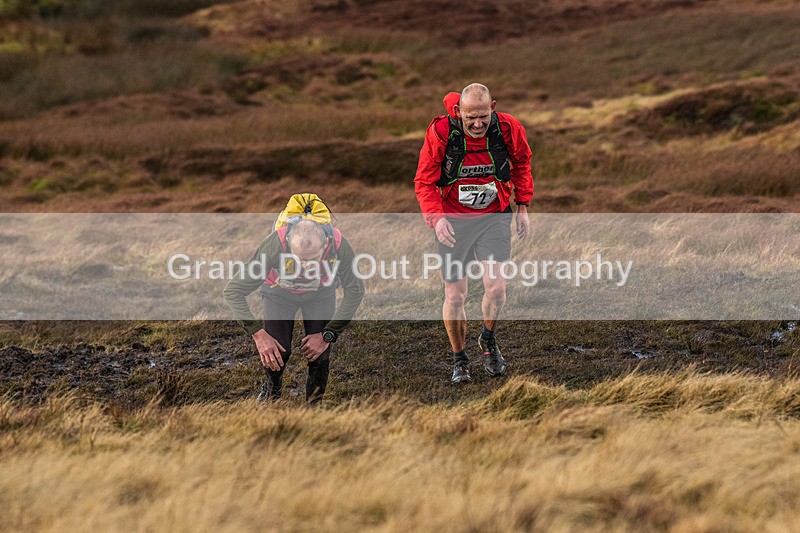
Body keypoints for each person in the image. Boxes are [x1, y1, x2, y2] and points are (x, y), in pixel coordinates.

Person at [414, 83, 533, 383]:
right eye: (471, 119)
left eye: (483, 116)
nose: (478, 124)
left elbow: (521, 163)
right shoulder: (442, 133)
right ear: (458, 113)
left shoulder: (508, 128)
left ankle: (488, 339)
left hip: (494, 217)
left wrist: (523, 206)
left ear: (493, 107)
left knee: (496, 288)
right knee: (455, 296)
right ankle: (460, 359)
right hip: (453, 222)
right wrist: (436, 219)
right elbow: (424, 182)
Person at [223, 218, 364, 403]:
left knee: (319, 354)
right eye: (298, 258)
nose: (305, 266)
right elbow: (233, 291)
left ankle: (314, 407)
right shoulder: (273, 246)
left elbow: (356, 291)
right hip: (279, 293)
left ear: (326, 245)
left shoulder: (338, 245)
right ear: (288, 243)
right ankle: (271, 393)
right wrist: (258, 335)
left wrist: (327, 335)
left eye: (313, 258)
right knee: (277, 350)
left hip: (320, 292)